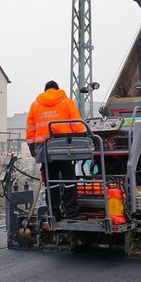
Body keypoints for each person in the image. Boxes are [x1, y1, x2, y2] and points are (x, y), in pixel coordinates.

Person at [26, 80, 85, 221]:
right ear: (57, 89)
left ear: (45, 90)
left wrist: (32, 148)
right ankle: (71, 212)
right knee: (69, 179)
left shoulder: (35, 105)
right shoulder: (66, 102)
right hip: (65, 147)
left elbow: (30, 129)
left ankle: (54, 212)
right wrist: (80, 143)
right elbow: (77, 124)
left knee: (51, 181)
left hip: (45, 149)